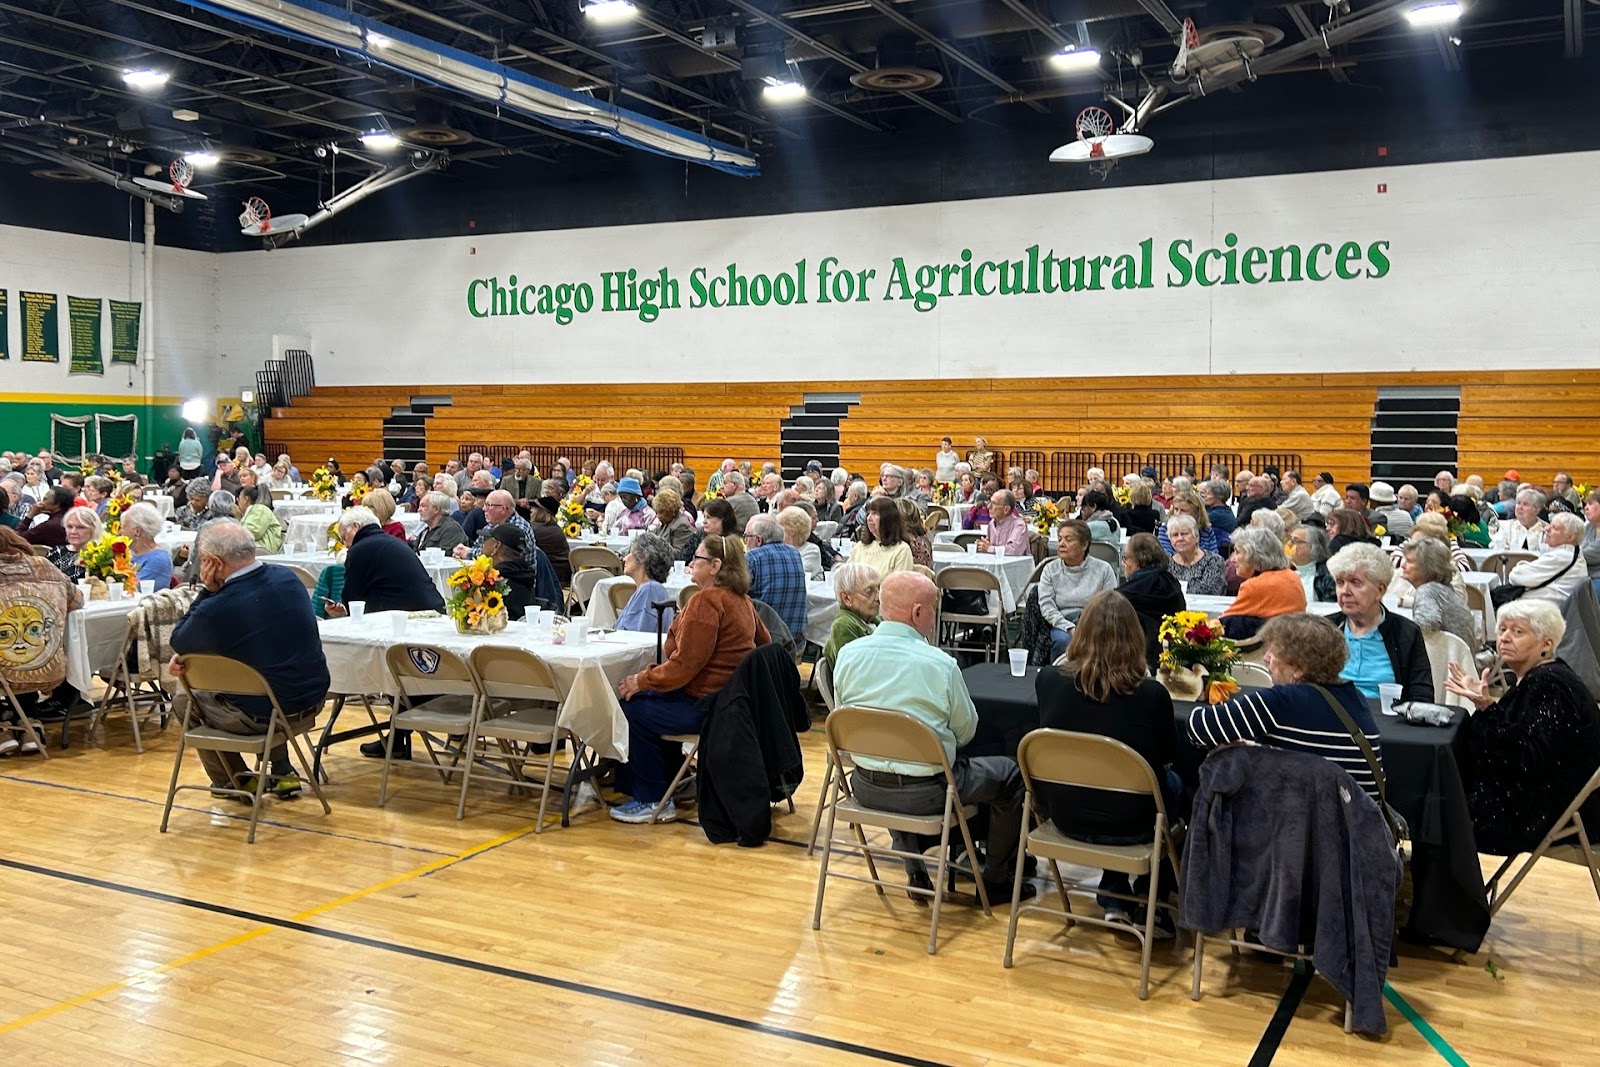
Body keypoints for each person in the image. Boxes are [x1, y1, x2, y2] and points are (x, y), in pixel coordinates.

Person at [834, 570, 1031, 904]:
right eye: (933, 610)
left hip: (865, 787)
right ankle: (996, 877)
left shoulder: (848, 655)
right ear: (918, 613)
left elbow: (845, 722)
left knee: (895, 758)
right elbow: (966, 732)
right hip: (929, 794)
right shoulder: (941, 664)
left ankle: (914, 867)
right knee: (1010, 774)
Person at [1036, 589, 1181, 930]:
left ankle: (1115, 893)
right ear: (1135, 638)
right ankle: (1150, 897)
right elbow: (1169, 755)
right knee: (1172, 786)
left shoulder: (1048, 681)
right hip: (1133, 822)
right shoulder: (1150, 694)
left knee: (1123, 784)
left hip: (1065, 813)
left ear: (1081, 631)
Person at [611, 535, 769, 824]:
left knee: (631, 707)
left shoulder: (706, 602)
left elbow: (684, 666)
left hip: (705, 704)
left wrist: (642, 680)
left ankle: (652, 797)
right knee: (655, 701)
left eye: (697, 558)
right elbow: (765, 645)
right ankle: (672, 782)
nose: (691, 563)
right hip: (731, 702)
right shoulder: (742, 600)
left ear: (715, 565)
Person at [166, 521, 329, 796]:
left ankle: (233, 781)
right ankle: (282, 770)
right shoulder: (288, 578)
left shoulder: (218, 606)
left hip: (265, 716)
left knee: (185, 700)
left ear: (213, 563)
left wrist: (207, 590)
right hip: (312, 699)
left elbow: (179, 639)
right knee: (266, 676)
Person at [1446, 599, 1600, 855]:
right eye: (1502, 629)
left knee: (1437, 807)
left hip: (1548, 810)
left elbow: (1526, 758)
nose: (1504, 638)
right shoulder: (1536, 678)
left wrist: (1486, 707)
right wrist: (1486, 709)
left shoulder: (1551, 684)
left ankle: (1446, 891)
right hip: (1536, 797)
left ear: (1546, 644)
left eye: (1517, 632)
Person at [1188, 613, 1384, 799]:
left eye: (1274, 651)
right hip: (1356, 827)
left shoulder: (1281, 701)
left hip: (1292, 826)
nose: (1266, 657)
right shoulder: (1355, 698)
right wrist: (1258, 748)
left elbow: (1199, 728)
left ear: (1299, 668)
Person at [0, 525, 83, 749]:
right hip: (47, 667)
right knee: (21, 655)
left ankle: (3, 730)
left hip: (6, 672)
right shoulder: (45, 567)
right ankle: (30, 725)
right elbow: (77, 601)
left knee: (10, 656)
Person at [1324, 542, 1433, 702]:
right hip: (1334, 718)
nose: (1345, 592)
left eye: (1355, 582)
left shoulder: (1405, 633)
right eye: (1340, 582)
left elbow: (1422, 695)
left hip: (1388, 721)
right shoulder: (1326, 628)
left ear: (1380, 590)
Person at [1037, 519, 1119, 661]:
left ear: (1084, 544)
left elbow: (1110, 604)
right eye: (1060, 539)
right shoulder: (1050, 569)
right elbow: (1046, 605)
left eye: (1068, 540)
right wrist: (1068, 627)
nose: (1062, 544)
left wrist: (1087, 628)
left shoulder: (1103, 569)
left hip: (1095, 624)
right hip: (1062, 624)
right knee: (1063, 642)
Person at [1219, 527, 1307, 640]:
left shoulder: (1254, 586)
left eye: (1237, 552)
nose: (1232, 559)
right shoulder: (1292, 576)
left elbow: (1219, 625)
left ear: (1254, 555)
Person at [1117, 533, 1186, 669]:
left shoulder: (1126, 593)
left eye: (1125, 558)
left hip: (1130, 661)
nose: (1123, 564)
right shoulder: (1173, 585)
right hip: (1171, 658)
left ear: (1139, 561)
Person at [1392, 537, 1477, 647]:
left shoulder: (1426, 591)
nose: (1403, 565)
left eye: (1410, 561)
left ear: (1427, 567)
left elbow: (1427, 624)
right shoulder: (1444, 590)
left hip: (1445, 661)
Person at [743, 514, 808, 640]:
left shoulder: (752, 558)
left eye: (746, 536)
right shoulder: (795, 553)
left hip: (764, 642)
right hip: (795, 641)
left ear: (758, 540)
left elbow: (735, 598)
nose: (745, 541)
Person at [1504, 512, 1587, 605]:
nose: (1547, 529)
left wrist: (1522, 565)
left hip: (1547, 607)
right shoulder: (1573, 552)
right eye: (1550, 525)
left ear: (1570, 537)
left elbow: (1515, 577)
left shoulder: (1561, 556)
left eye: (1555, 528)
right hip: (1551, 603)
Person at [480, 522, 546, 621]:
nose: (483, 544)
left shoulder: (494, 579)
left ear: (496, 546)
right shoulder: (524, 572)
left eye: (486, 539)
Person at [616, 531, 677, 634]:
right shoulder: (650, 589)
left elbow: (633, 637)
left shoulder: (649, 590)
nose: (624, 558)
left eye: (630, 552)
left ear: (643, 556)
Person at [823, 561, 879, 669]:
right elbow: (855, 671)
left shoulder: (875, 619)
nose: (878, 597)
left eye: (879, 588)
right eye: (869, 591)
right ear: (847, 598)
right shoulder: (843, 626)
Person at [1163, 513, 1226, 596]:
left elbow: (1210, 591)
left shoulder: (1214, 561)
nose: (1180, 539)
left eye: (1184, 534)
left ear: (1196, 537)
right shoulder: (1166, 563)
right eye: (1175, 535)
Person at [850, 496, 915, 577]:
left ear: (888, 518)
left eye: (875, 513)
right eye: (868, 513)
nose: (869, 518)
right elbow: (847, 578)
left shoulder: (901, 550)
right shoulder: (859, 547)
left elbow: (900, 586)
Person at [116, 501, 172, 589]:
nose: (119, 532)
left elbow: (134, 589)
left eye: (123, 527)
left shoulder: (158, 559)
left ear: (137, 531)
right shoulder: (130, 553)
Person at [526, 495, 571, 584]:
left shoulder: (536, 529)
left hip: (552, 575)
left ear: (542, 512)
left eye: (535, 508)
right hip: (561, 572)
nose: (531, 510)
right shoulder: (555, 528)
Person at [680, 496, 738, 564]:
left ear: (723, 519)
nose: (704, 521)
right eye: (704, 517)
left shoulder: (732, 542)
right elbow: (682, 559)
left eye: (709, 517)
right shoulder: (699, 536)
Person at [1287, 522, 1336, 603]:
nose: (1289, 544)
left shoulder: (1327, 575)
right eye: (1290, 539)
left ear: (1314, 547)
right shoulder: (1282, 570)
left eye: (1296, 541)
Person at [1491, 488, 1550, 553]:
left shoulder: (1547, 530)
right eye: (1518, 503)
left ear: (1536, 510)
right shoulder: (1506, 526)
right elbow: (1496, 548)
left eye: (1525, 504)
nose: (1520, 507)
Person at [21, 486, 74, 555]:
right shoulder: (70, 519)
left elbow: (18, 539)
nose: (41, 503)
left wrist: (30, 516)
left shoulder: (50, 525)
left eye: (45, 499)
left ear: (57, 504)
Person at [776, 505, 824, 580]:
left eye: (781, 527)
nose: (778, 531)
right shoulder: (780, 548)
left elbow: (796, 573)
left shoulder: (811, 550)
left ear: (792, 531)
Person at [413, 491, 467, 556]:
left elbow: (443, 557)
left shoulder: (452, 530)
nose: (419, 510)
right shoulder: (426, 530)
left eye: (423, 506)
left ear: (436, 509)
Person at [235, 485, 284, 554]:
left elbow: (252, 532)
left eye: (239, 499)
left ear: (246, 499)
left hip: (262, 549)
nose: (238, 503)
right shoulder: (252, 511)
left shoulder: (259, 509)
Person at [649, 487, 694, 555]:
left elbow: (678, 554)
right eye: (657, 512)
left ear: (671, 510)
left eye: (661, 512)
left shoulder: (682, 525)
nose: (658, 516)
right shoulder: (665, 522)